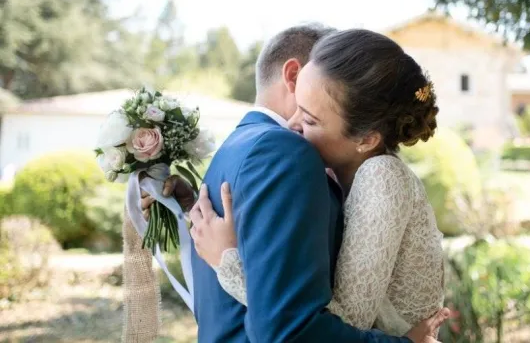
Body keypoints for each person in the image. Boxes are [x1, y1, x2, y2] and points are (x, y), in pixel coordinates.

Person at [146, 26, 448, 343]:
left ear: (367, 139)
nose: (291, 125)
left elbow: (345, 320)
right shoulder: (336, 173)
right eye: (299, 105)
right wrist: (191, 208)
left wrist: (227, 260)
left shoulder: (381, 176)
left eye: (310, 118)